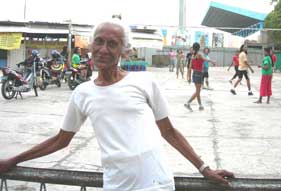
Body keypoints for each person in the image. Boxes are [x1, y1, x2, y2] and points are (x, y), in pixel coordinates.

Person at [0, 21, 234, 191]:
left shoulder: (144, 83)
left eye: (112, 44)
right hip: (117, 186)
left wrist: (204, 169)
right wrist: (14, 160)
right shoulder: (82, 94)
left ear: (124, 50)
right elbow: (61, 140)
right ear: (91, 46)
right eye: (99, 42)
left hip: (158, 184)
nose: (103, 49)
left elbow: (169, 132)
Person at [184, 42, 215, 111]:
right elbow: (206, 59)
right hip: (199, 74)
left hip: (194, 73)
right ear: (199, 48)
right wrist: (213, 62)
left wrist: (189, 77)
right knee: (198, 91)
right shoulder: (199, 55)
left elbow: (189, 68)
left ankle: (200, 105)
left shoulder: (192, 56)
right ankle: (188, 103)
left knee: (197, 90)